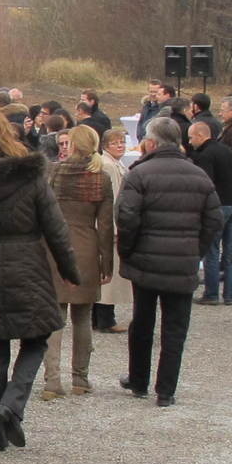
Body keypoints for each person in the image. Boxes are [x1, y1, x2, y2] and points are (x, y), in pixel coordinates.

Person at [0, 112, 80, 450]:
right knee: (37, 338)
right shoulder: (32, 176)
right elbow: (55, 226)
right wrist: (69, 268)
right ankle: (14, 402)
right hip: (28, 264)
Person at [115, 116, 221, 408]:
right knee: (175, 328)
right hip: (181, 262)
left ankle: (139, 380)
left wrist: (128, 251)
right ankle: (166, 389)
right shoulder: (199, 176)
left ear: (151, 142)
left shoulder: (140, 174)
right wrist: (195, 251)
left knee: (143, 321)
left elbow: (126, 217)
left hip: (146, 260)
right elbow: (214, 221)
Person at [44, 123, 116, 399]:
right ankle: (80, 378)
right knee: (83, 316)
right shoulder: (101, 178)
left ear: (71, 145)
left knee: (56, 315)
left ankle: (52, 381)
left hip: (56, 249)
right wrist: (106, 264)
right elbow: (106, 226)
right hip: (87, 249)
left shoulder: (55, 172)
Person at [187, 118, 232, 305]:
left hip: (218, 205)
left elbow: (205, 183)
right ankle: (230, 294)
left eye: (191, 137)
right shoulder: (224, 149)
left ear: (201, 135)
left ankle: (211, 293)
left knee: (211, 248)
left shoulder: (206, 155)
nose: (189, 142)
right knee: (231, 251)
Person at [93, 126, 134, 335]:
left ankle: (100, 316)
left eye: (122, 142)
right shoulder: (109, 166)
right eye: (115, 143)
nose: (120, 146)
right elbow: (114, 200)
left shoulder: (114, 163)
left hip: (108, 225)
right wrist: (117, 228)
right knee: (109, 276)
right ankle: (105, 318)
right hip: (110, 227)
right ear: (105, 146)